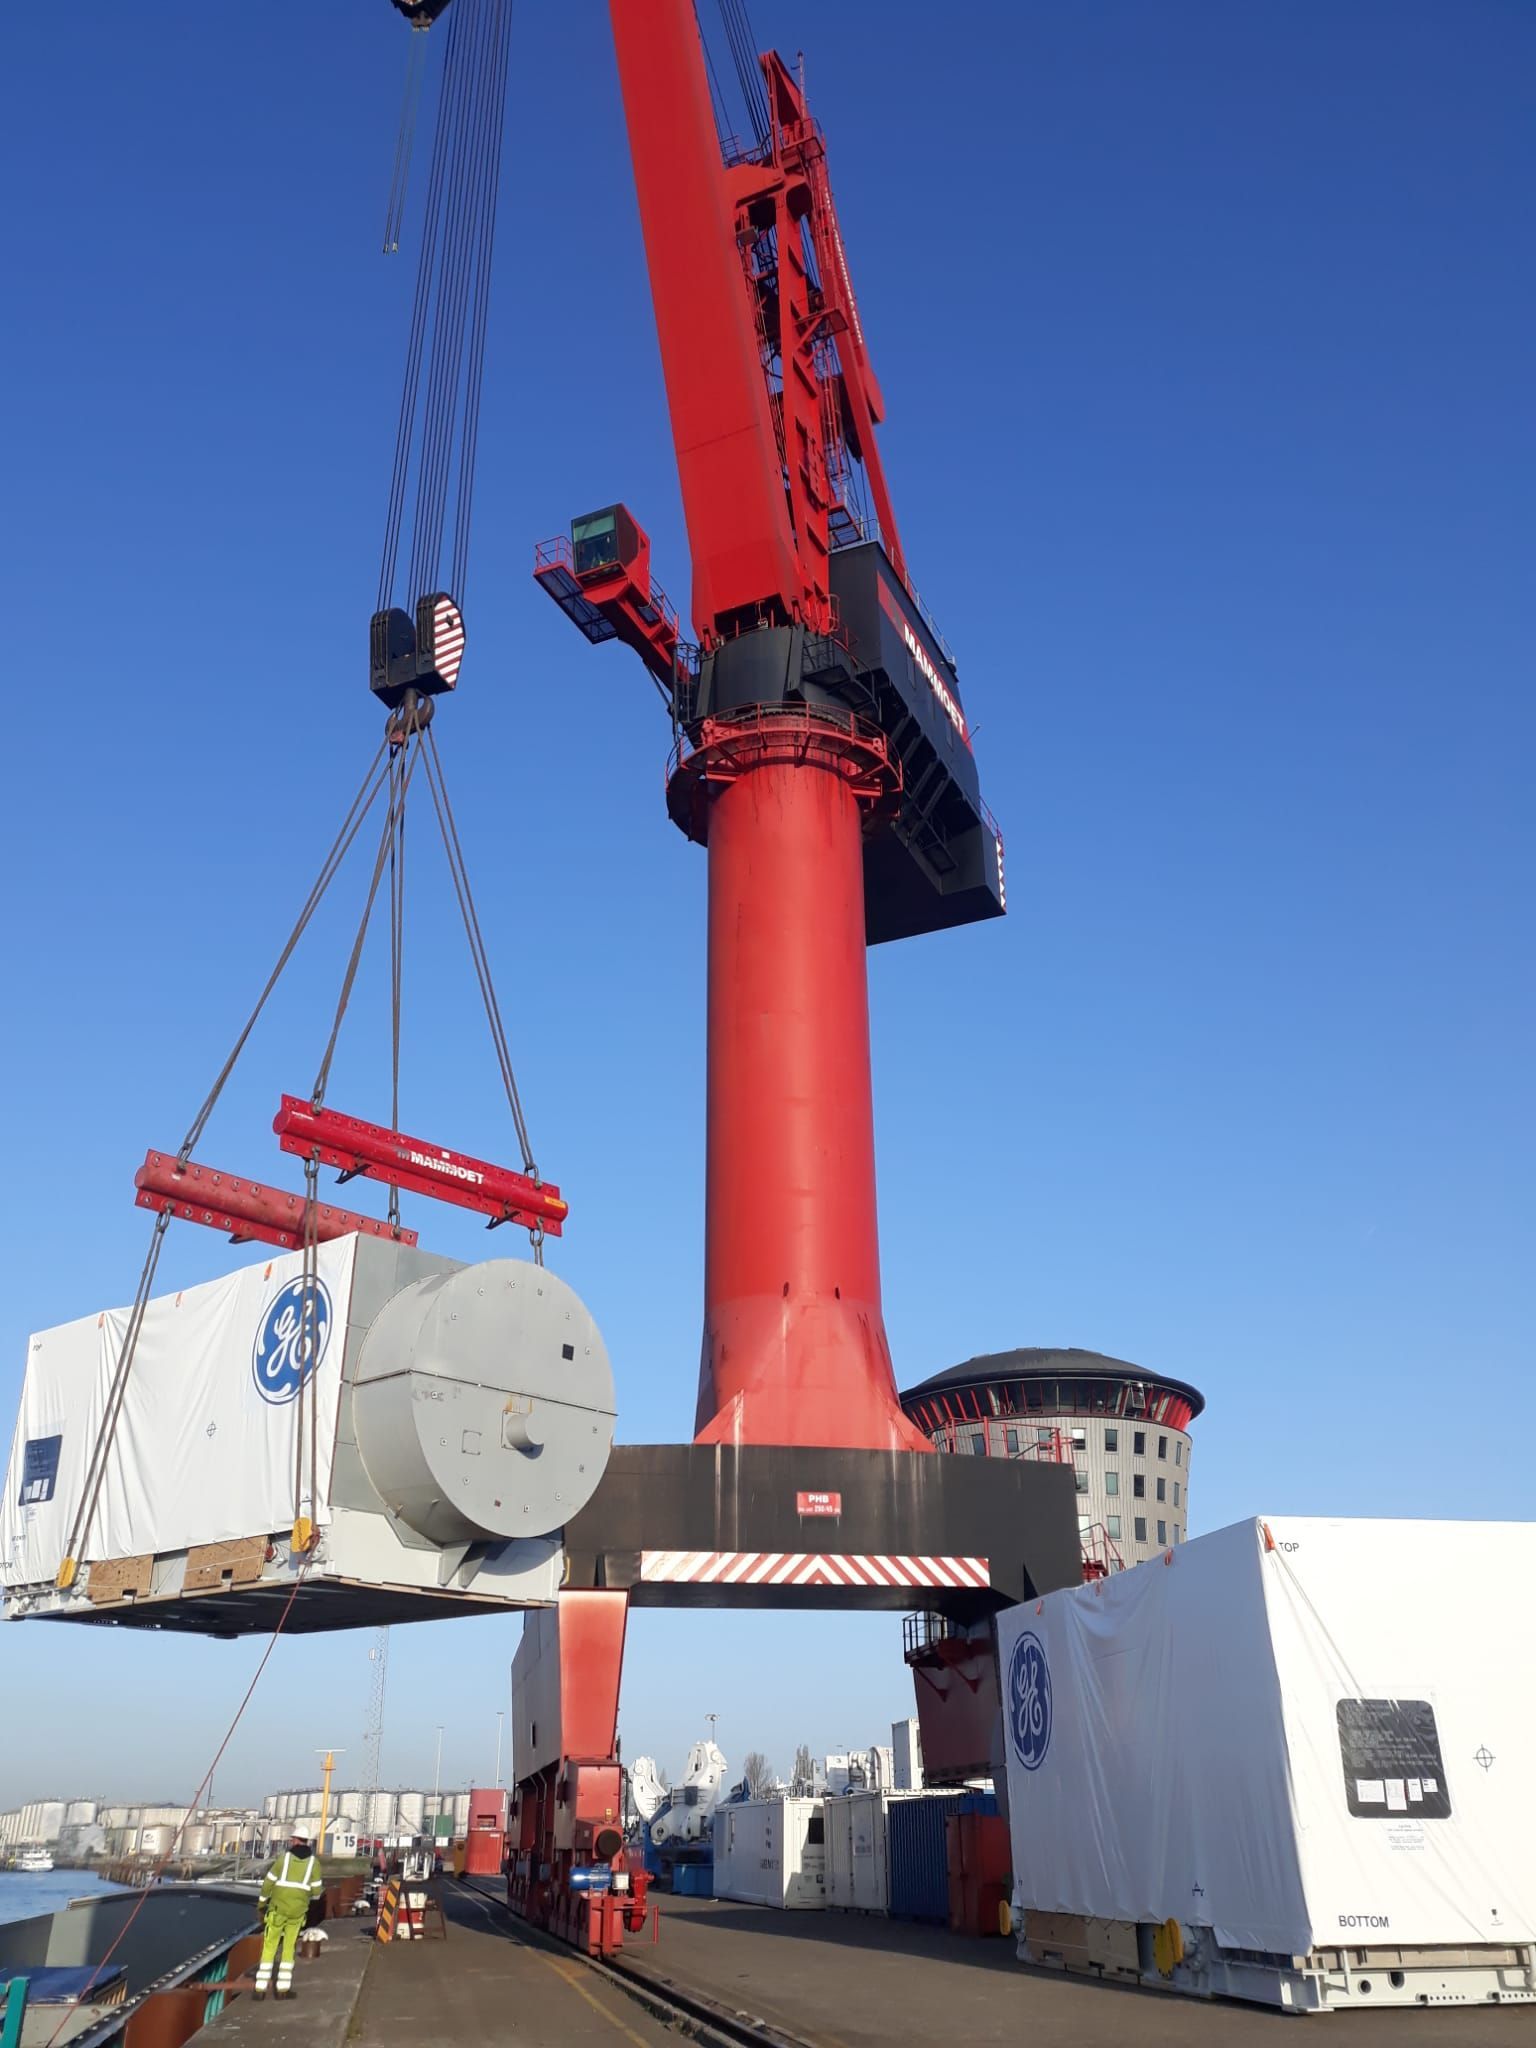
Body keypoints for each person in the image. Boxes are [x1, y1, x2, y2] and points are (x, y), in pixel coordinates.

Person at [253, 1833, 324, 2000]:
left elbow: (268, 1883)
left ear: (296, 1840)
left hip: (277, 1909)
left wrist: (262, 1904)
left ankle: (260, 1989)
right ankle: (283, 1990)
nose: (291, 1841)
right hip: (297, 1913)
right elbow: (316, 1892)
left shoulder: (284, 1859)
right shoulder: (314, 1863)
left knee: (269, 1947)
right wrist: (304, 1900)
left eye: (293, 1839)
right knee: (289, 1948)